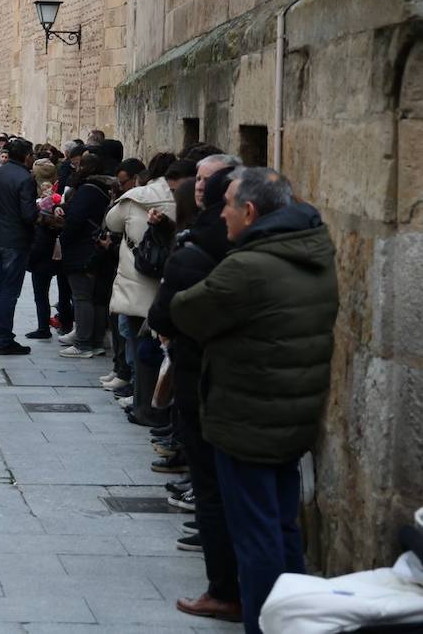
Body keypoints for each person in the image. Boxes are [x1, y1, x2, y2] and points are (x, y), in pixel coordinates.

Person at [171, 168, 338, 634]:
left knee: (255, 533)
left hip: (249, 414)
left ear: (249, 211)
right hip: (292, 410)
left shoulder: (248, 266)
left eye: (226, 205)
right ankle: (295, 617)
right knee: (282, 525)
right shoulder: (314, 253)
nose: (219, 213)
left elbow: (187, 309)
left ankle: (265, 623)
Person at [147, 159, 240, 622]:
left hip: (207, 377)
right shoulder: (276, 251)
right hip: (247, 383)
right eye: (196, 181)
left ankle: (226, 588)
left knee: (216, 485)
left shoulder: (197, 249)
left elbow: (164, 316)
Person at [103, 155, 174, 413]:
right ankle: (157, 398)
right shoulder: (182, 198)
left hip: (137, 277)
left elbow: (111, 221)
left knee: (134, 338)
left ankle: (140, 396)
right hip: (166, 278)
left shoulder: (136, 197)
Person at [58, 151, 117, 359]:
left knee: (82, 296)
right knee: (96, 297)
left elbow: (75, 220)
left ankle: (83, 343)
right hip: (97, 247)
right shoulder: (104, 188)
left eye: (78, 166)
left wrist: (63, 238)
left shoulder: (87, 190)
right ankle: (96, 341)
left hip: (82, 248)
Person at [0, 137, 37, 355]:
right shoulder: (25, 178)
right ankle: (3, 339)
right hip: (14, 240)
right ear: (25, 156)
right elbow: (28, 214)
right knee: (9, 291)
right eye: (31, 155)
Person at [24, 159, 69, 341]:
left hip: (43, 250)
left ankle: (44, 327)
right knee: (64, 291)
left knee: (41, 292)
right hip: (60, 249)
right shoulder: (62, 194)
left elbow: (38, 231)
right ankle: (65, 323)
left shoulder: (43, 201)